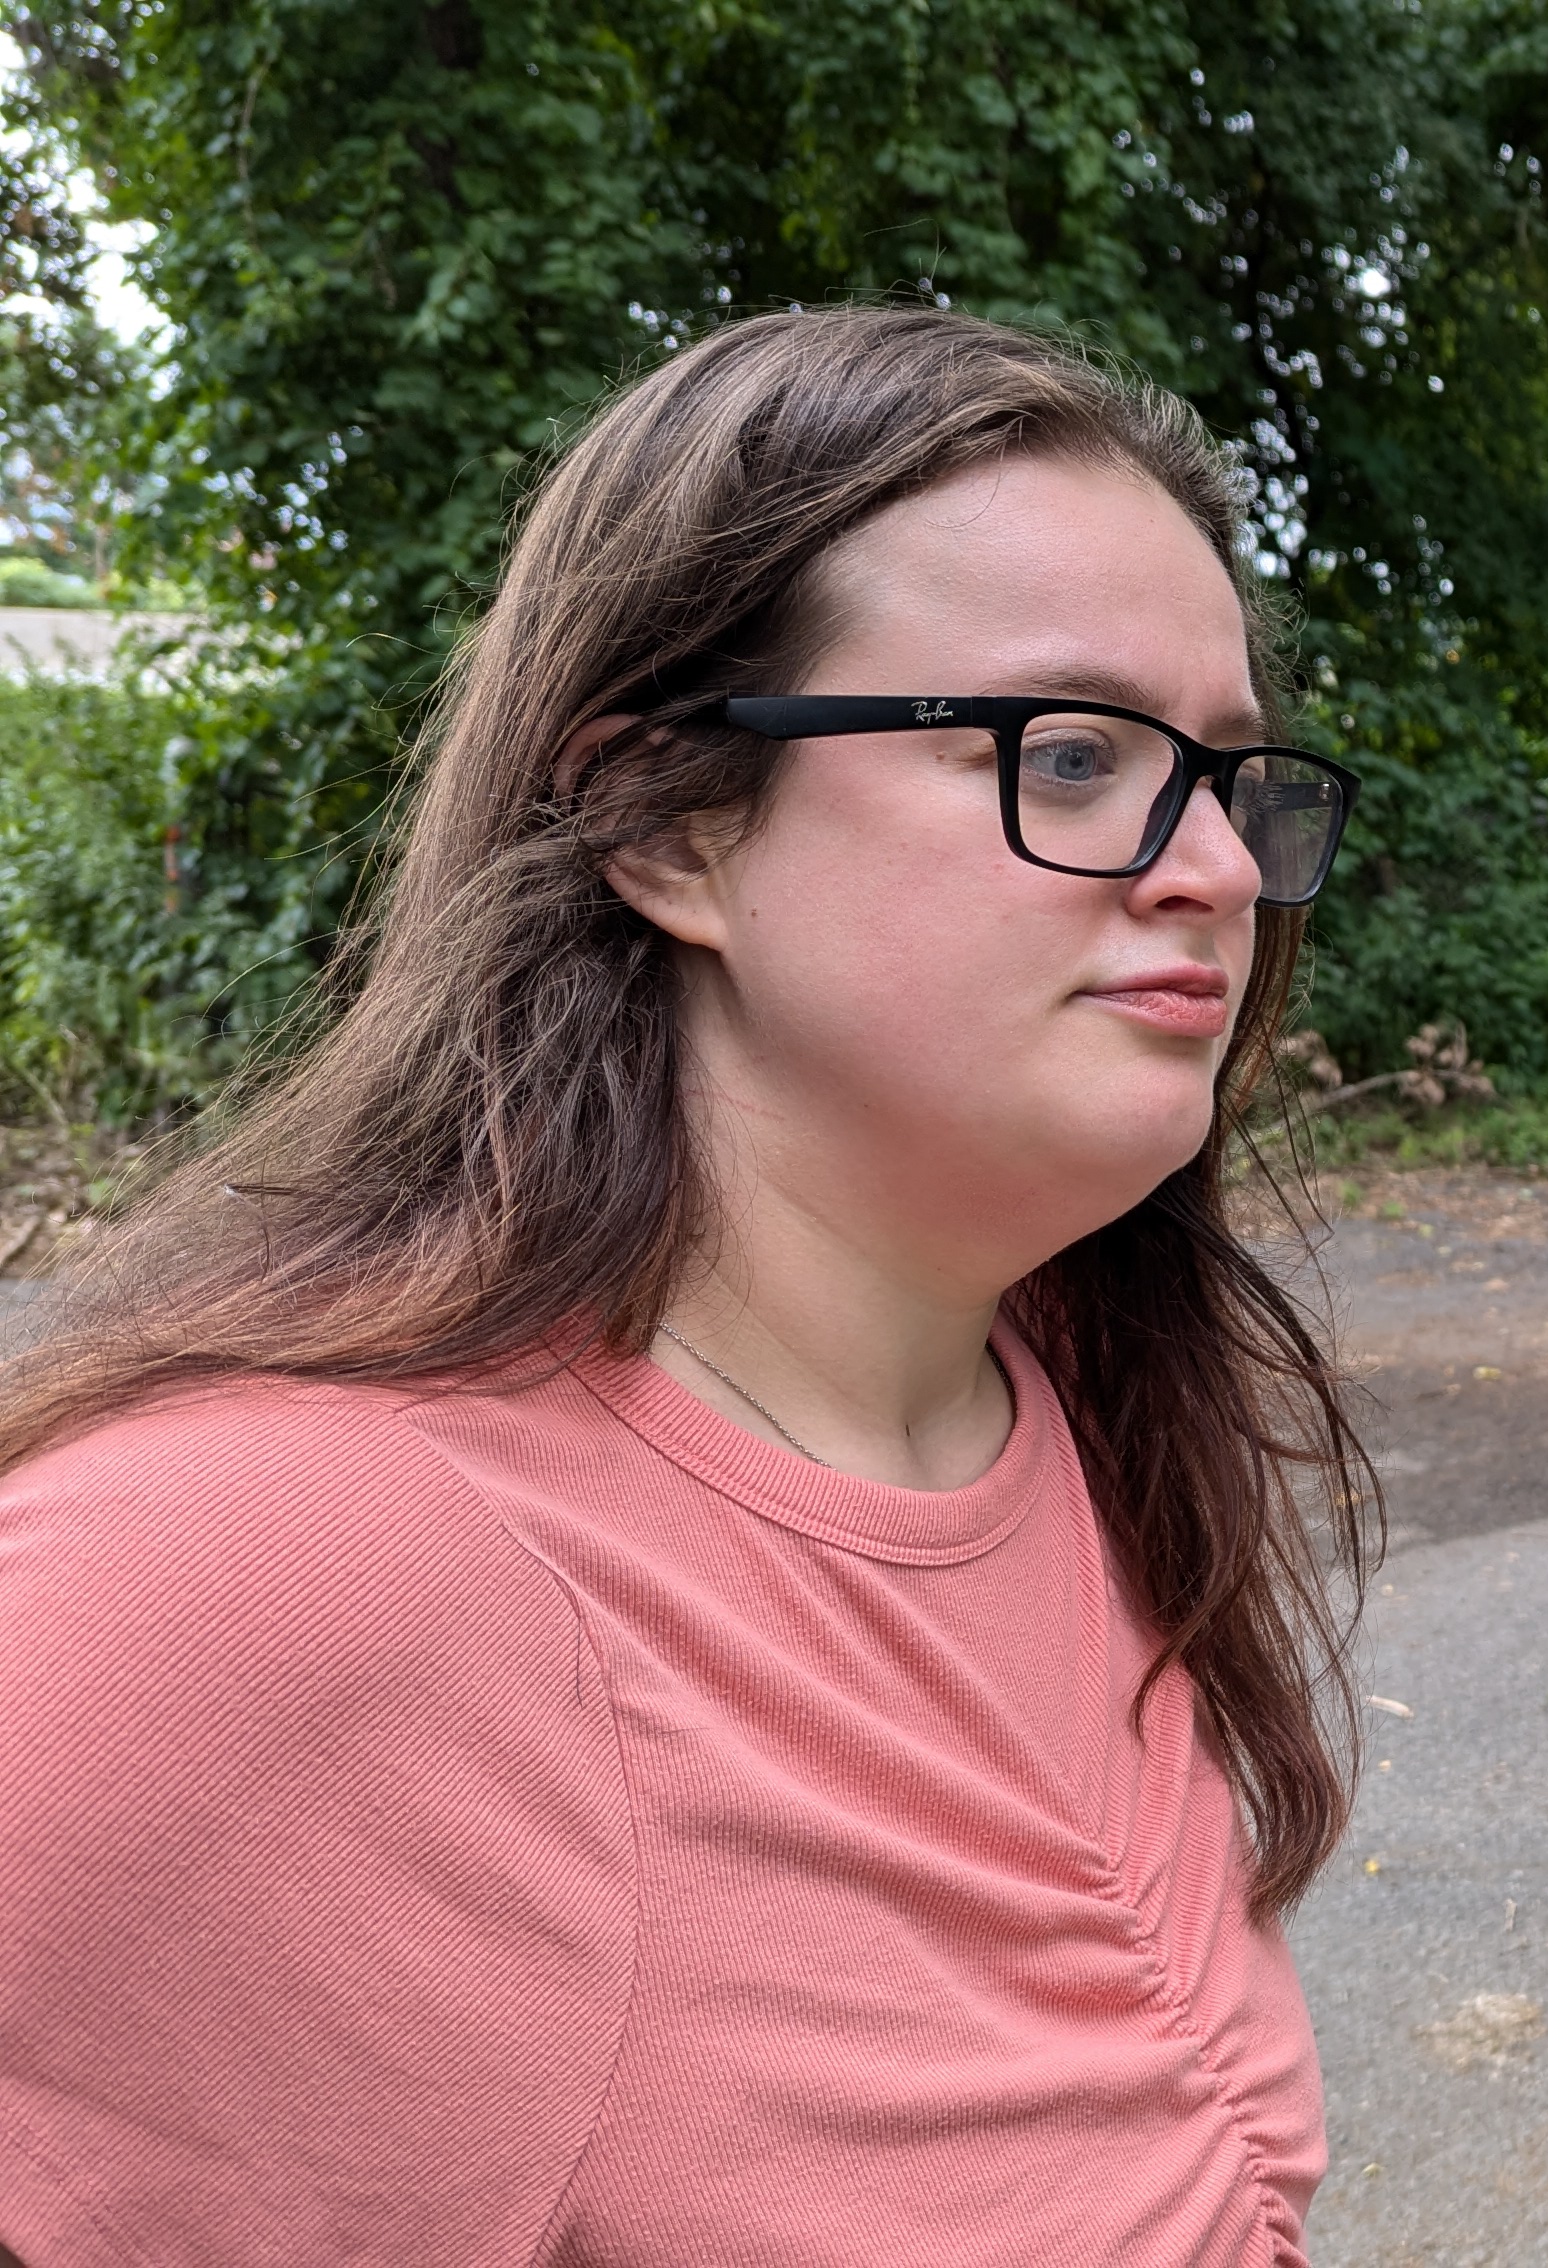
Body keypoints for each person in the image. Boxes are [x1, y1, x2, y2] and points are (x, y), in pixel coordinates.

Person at [0, 307, 1373, 2265]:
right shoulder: (265, 1566)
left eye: (1234, 781)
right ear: (668, 824)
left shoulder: (1064, 1391)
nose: (1218, 870)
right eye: (1070, 755)